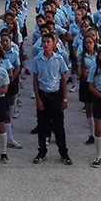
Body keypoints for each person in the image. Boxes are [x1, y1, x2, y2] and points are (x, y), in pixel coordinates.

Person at [31, 33, 72, 165]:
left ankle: (63, 152)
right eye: (44, 42)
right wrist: (37, 98)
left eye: (49, 41)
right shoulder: (38, 59)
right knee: (42, 125)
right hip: (43, 94)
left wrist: (64, 99)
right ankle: (42, 151)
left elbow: (63, 80)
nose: (46, 44)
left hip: (56, 95)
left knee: (59, 125)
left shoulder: (59, 59)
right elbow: (35, 80)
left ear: (54, 43)